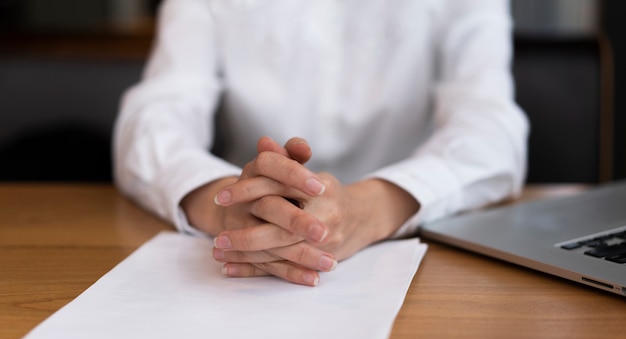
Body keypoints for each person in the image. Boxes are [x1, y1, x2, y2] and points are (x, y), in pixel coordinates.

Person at [113, 0, 528, 287]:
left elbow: (492, 130)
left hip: (409, 244)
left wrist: (368, 209)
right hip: (243, 241)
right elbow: (156, 114)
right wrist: (223, 207)